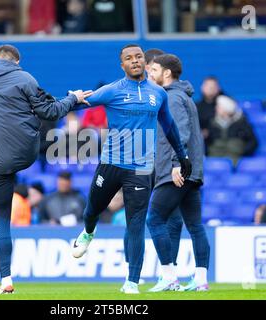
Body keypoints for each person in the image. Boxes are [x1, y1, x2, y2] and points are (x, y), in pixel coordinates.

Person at [0, 44, 91, 294]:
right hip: (26, 153)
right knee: (37, 117)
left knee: (1, 221)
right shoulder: (25, 77)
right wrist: (73, 99)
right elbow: (50, 111)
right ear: (17, 62)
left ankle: (5, 279)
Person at [71, 44, 192, 294]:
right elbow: (81, 102)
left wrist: (182, 156)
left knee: (135, 224)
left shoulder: (158, 94)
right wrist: (69, 99)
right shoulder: (112, 90)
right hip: (111, 164)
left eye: (138, 57)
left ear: (145, 64)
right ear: (122, 65)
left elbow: (169, 126)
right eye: (129, 58)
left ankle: (132, 282)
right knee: (92, 210)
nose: (135, 61)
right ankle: (88, 232)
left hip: (140, 168)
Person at [147, 54, 210, 292]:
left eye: (153, 70)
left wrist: (176, 163)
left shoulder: (172, 97)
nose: (148, 75)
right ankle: (201, 279)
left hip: (177, 171)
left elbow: (179, 131)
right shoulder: (183, 96)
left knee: (154, 220)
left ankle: (169, 276)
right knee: (195, 225)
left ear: (166, 73)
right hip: (191, 171)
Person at [205, 95, 258, 165]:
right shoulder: (211, 123)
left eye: (219, 107)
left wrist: (242, 153)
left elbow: (253, 142)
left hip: (236, 160)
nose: (216, 108)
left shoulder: (242, 123)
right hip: (215, 161)